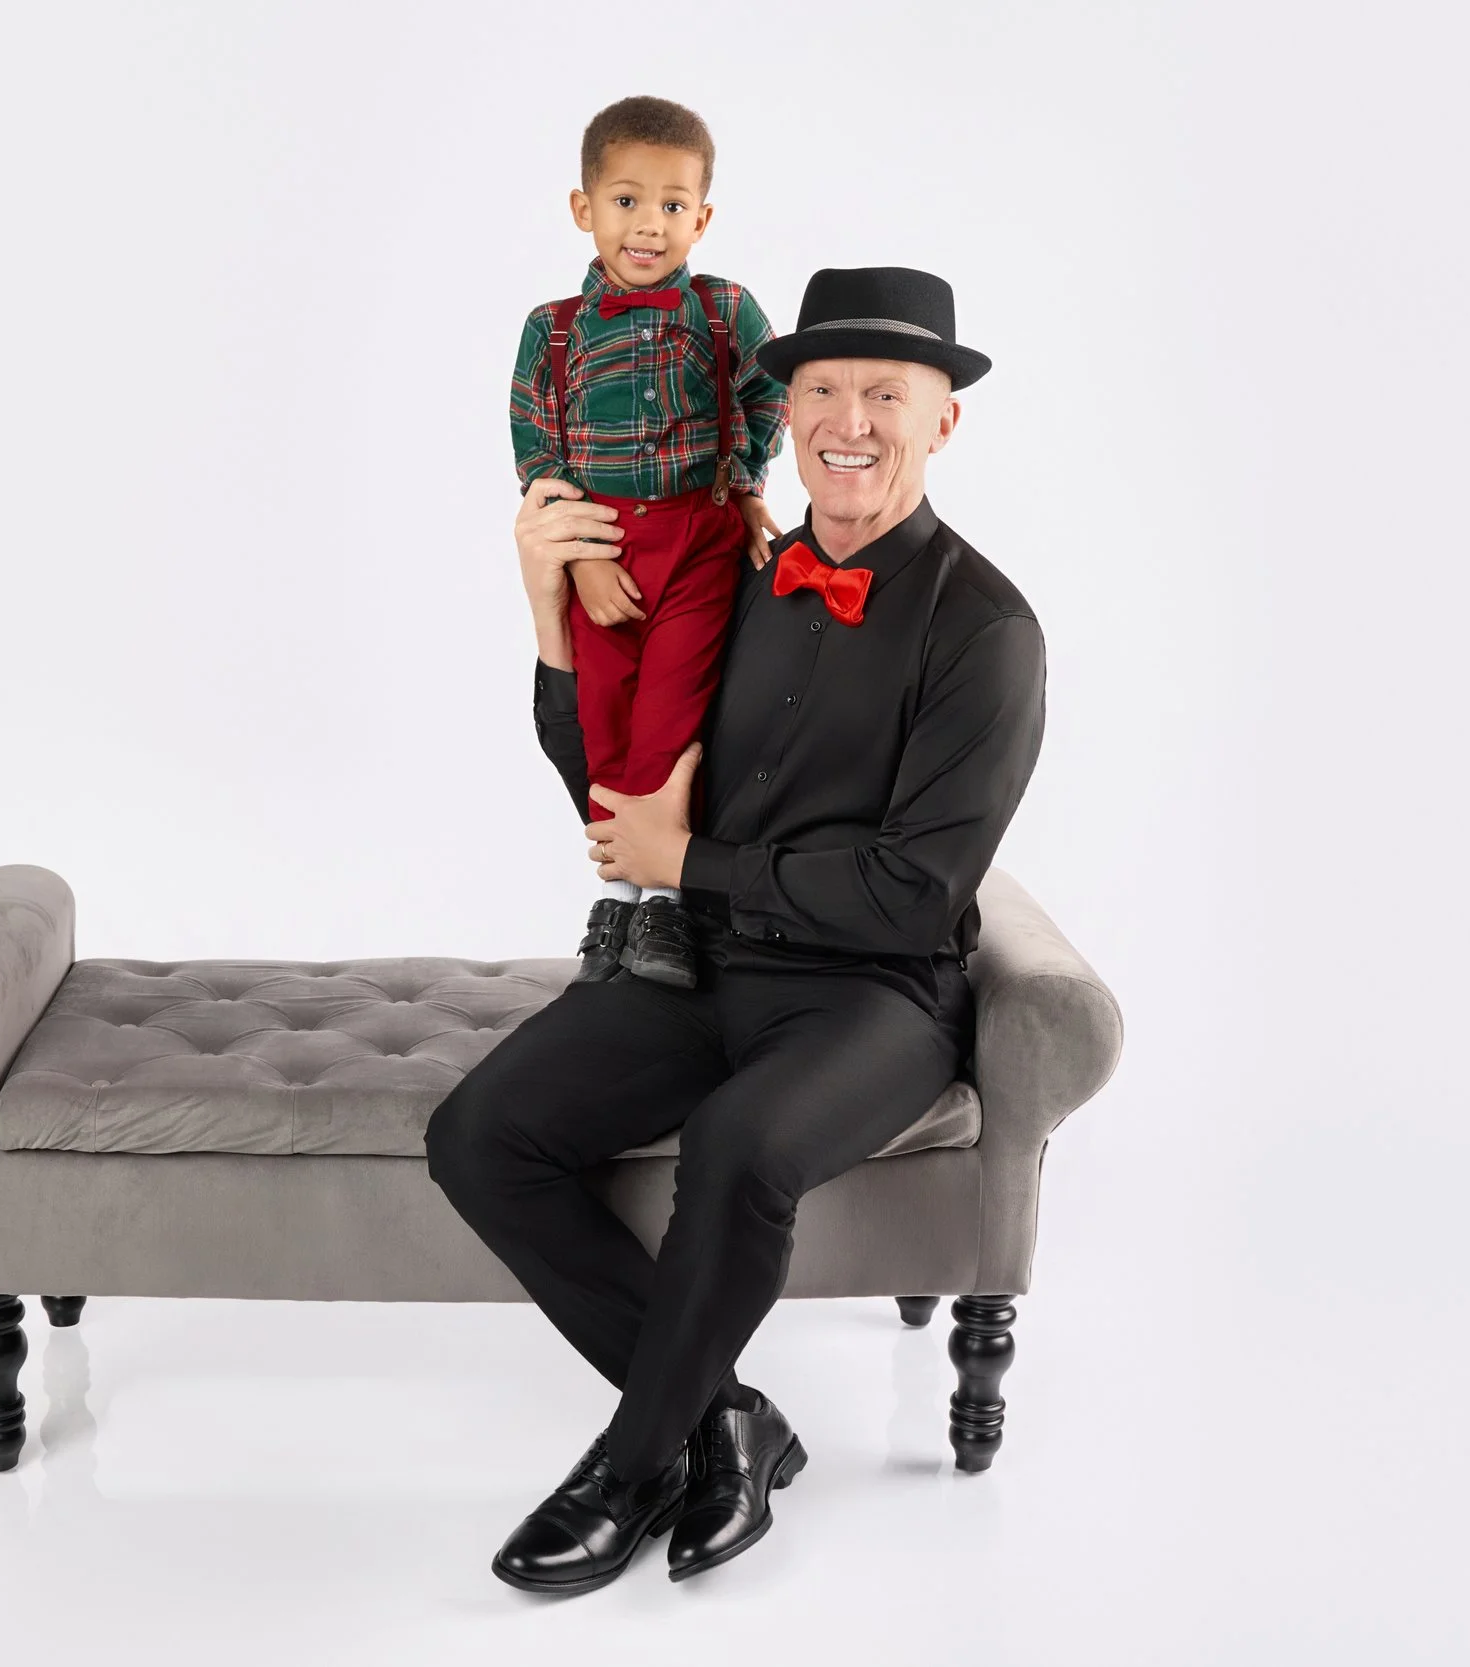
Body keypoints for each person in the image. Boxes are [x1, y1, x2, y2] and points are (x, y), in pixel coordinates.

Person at [430, 266, 1047, 1594]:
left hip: (875, 996)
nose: (850, 418)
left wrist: (693, 858)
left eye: (887, 392)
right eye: (821, 388)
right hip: (699, 964)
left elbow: (913, 892)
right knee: (480, 1133)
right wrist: (548, 614)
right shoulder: (743, 572)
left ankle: (631, 1457)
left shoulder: (989, 631)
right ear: (786, 411)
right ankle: (727, 1419)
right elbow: (610, 785)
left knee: (738, 1144)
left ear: (944, 421)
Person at [509, 95, 789, 989]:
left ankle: (663, 903)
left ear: (701, 218)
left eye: (673, 206)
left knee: (672, 710)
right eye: (627, 201)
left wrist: (742, 486)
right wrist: (585, 557)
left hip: (698, 540)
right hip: (603, 546)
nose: (649, 225)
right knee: (604, 714)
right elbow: (539, 447)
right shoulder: (552, 331)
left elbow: (767, 396)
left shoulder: (724, 310)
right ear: (583, 209)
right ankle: (618, 898)